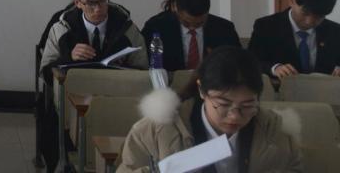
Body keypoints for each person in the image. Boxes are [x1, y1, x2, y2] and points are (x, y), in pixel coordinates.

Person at [118, 46, 301, 172]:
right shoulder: (155, 129)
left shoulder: (274, 131)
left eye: (247, 105)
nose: (234, 116)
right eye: (223, 104)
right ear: (201, 90)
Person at [40, 0, 148, 75]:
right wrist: (69, 58)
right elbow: (45, 73)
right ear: (77, 3)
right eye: (90, 3)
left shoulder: (127, 29)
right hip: (76, 86)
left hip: (116, 85)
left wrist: (122, 67)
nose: (97, 9)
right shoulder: (61, 29)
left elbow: (143, 71)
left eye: (103, 0)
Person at [248, 0, 340, 77]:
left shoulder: (335, 31)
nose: (309, 22)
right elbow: (251, 61)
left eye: (319, 17)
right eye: (305, 13)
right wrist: (274, 68)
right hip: (282, 86)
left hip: (323, 86)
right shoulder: (266, 26)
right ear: (292, 1)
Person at [141, 0, 242, 72]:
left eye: (199, 23)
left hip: (212, 84)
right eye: (186, 23)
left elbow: (239, 63)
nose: (192, 27)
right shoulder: (156, 27)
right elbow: (145, 64)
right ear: (175, 7)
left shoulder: (224, 28)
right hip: (170, 83)